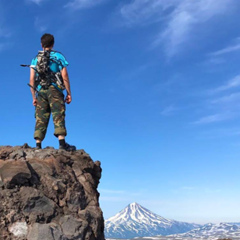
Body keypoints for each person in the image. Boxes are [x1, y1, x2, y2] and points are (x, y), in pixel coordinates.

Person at [29, 33, 76, 151]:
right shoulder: (58, 56)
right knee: (58, 114)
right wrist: (69, 93)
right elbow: (64, 75)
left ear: (41, 44)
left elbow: (31, 80)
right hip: (55, 90)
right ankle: (62, 144)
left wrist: (33, 96)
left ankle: (38, 146)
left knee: (40, 117)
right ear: (53, 43)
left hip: (41, 91)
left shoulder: (35, 59)